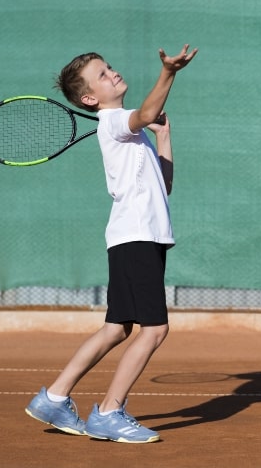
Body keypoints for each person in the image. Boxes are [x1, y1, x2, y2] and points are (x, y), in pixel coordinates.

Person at [25, 44, 198, 443]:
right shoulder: (115, 120)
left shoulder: (129, 131)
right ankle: (108, 412)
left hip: (135, 236)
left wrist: (165, 137)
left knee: (117, 329)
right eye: (101, 75)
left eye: (110, 68)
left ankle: (53, 397)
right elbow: (146, 113)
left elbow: (163, 185)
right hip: (136, 237)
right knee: (154, 330)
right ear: (89, 99)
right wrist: (169, 72)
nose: (112, 74)